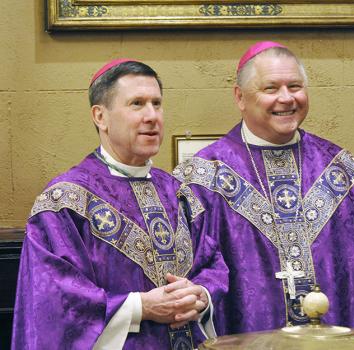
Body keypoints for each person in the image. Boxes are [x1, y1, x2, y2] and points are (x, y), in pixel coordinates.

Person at [173, 41, 354, 335]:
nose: (286, 99)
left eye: (295, 86)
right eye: (271, 89)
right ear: (240, 97)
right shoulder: (201, 179)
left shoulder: (344, 173)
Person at [11, 59, 227, 349]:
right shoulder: (64, 203)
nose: (152, 116)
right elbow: (54, 300)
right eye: (137, 104)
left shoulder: (180, 193)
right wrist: (141, 307)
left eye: (157, 103)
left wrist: (200, 295)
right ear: (100, 116)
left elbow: (212, 263)